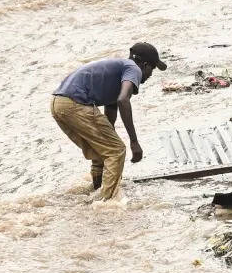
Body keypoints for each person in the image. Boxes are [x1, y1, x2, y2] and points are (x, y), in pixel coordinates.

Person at [50, 42, 167, 201]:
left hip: (58, 104)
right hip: (76, 104)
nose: (151, 74)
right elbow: (123, 100)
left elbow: (111, 107)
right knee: (116, 151)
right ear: (144, 64)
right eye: (151, 69)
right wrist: (134, 141)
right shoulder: (133, 68)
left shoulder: (118, 68)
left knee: (102, 149)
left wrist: (109, 133)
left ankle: (97, 190)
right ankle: (106, 202)